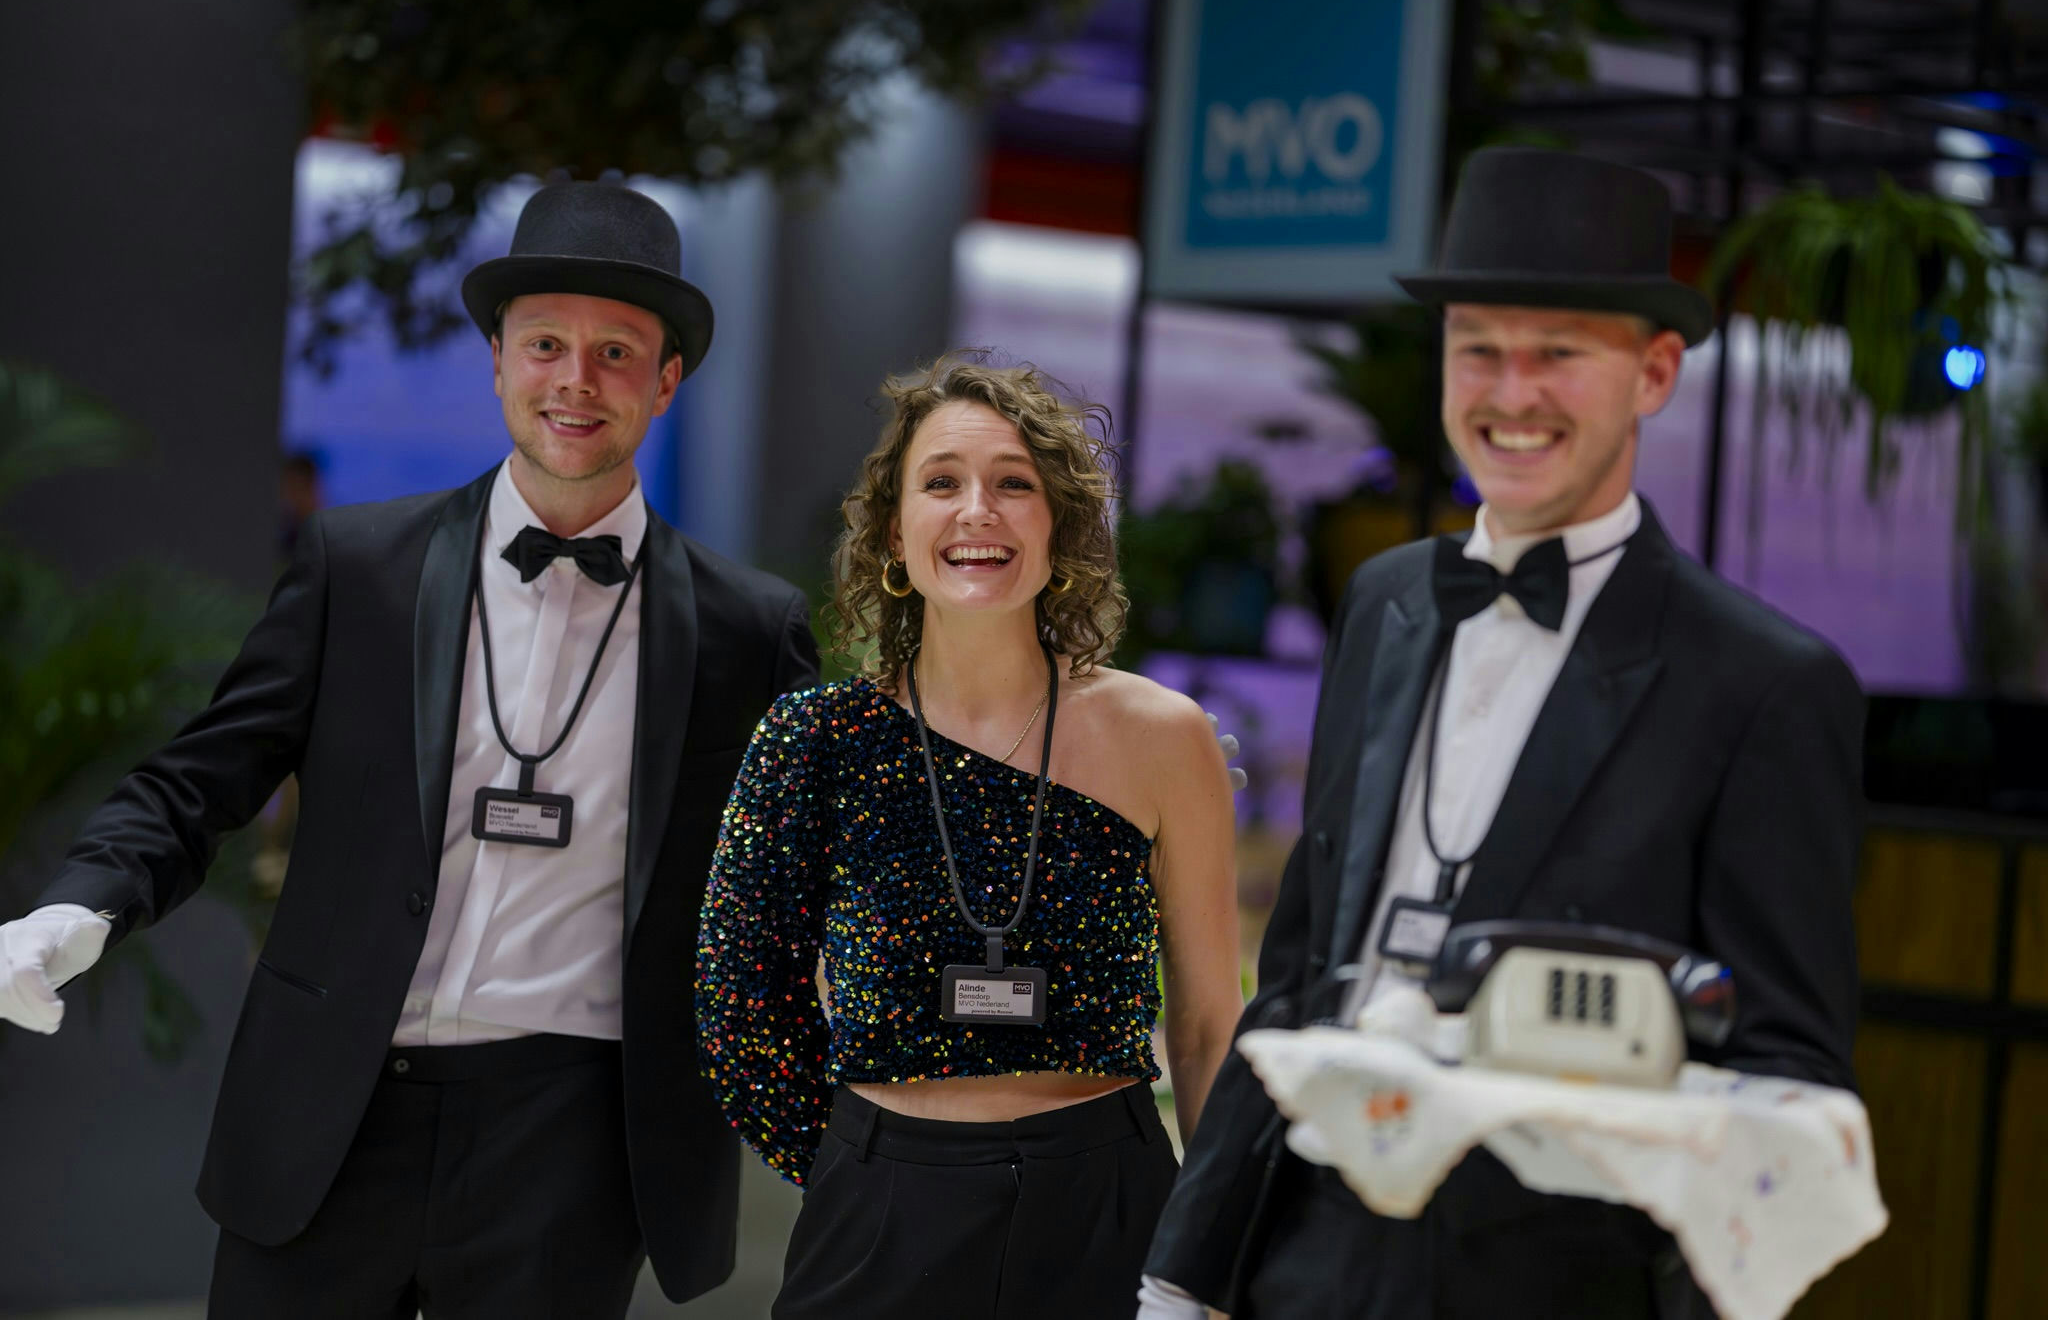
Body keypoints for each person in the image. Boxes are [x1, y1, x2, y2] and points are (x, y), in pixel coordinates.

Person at [0, 182, 818, 1318]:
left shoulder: (749, 628)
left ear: (666, 380)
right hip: (332, 1106)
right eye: (545, 344)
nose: (575, 380)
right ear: (497, 360)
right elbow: (202, 778)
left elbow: (805, 873)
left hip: (574, 1140)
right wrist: (82, 904)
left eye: (616, 353)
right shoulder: (360, 568)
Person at [1139, 148, 1866, 1319]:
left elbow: (1782, 1080)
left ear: (1653, 373)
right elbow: (1297, 978)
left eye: (1557, 354)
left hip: (1556, 1286)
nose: (1510, 392)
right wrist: (1181, 1278)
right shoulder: (1382, 602)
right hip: (1304, 1263)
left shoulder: (1762, 686)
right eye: (1477, 348)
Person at [696, 354, 1246, 1319]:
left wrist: (1216, 1255)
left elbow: (1206, 1024)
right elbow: (741, 1010)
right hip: (880, 1207)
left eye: (1014, 484)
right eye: (942, 482)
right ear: (893, 534)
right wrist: (862, 1161)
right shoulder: (815, 737)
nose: (977, 510)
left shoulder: (1166, 736)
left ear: (1059, 525)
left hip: (1108, 1200)